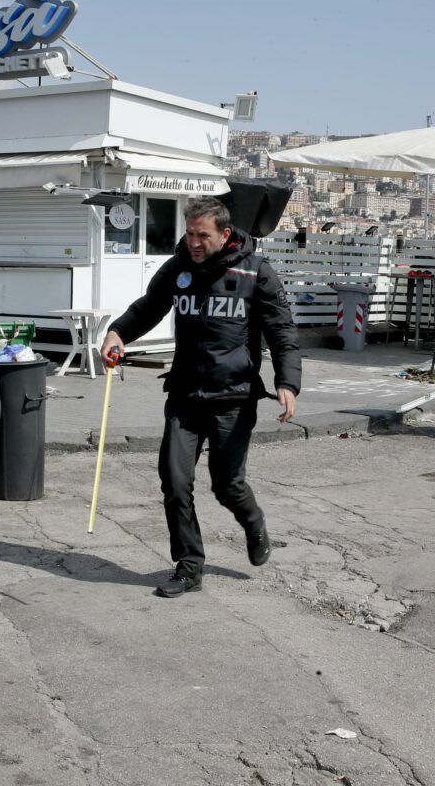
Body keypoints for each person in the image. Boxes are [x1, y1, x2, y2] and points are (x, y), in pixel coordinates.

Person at [99, 197, 301, 598]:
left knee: (226, 485)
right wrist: (117, 332)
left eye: (201, 235)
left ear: (224, 234)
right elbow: (149, 307)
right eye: (189, 233)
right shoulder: (178, 268)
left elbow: (282, 330)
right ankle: (189, 566)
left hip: (235, 396)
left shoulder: (255, 271)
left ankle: (254, 522)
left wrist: (287, 382)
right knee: (174, 482)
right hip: (186, 394)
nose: (193, 242)